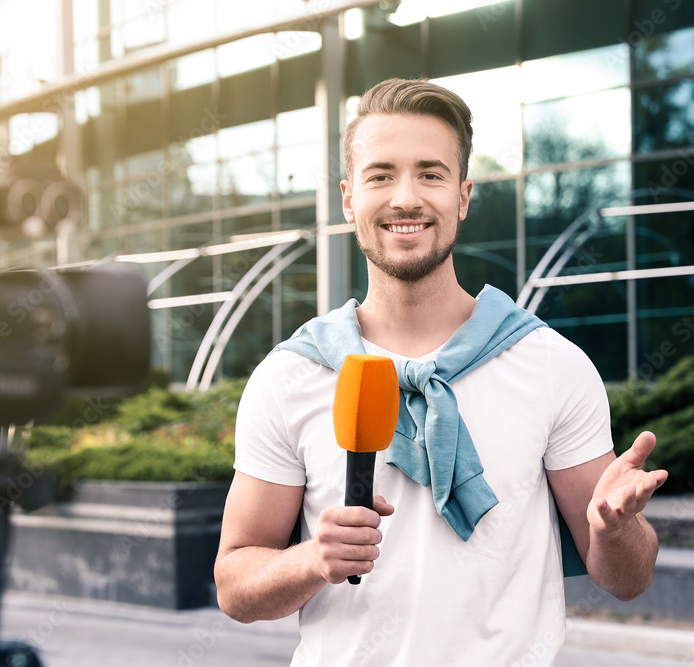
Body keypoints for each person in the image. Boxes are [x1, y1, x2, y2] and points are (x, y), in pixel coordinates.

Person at [214, 77, 668, 666]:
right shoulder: (290, 376)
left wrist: (613, 531)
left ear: (463, 195)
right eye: (381, 175)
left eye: (430, 174)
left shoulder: (550, 364)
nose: (406, 198)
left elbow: (626, 579)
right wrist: (310, 559)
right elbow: (234, 585)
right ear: (350, 199)